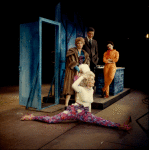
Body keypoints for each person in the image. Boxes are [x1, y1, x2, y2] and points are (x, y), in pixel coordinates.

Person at [21, 65, 131, 131]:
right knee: (51, 120)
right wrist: (83, 76)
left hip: (85, 113)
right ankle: (32, 117)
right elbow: (74, 86)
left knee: (101, 121)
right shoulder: (81, 89)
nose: (94, 81)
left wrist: (89, 115)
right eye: (92, 80)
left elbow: (89, 104)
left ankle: (120, 126)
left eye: (93, 79)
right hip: (73, 111)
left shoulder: (91, 90)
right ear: (87, 81)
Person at [63, 37, 90, 110]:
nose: (79, 44)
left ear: (83, 44)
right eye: (78, 43)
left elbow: (87, 62)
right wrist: (78, 69)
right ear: (76, 44)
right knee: (69, 88)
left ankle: (76, 105)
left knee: (78, 89)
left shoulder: (85, 53)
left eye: (81, 43)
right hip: (72, 72)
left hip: (81, 73)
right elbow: (71, 61)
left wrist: (83, 69)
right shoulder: (72, 51)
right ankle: (66, 105)